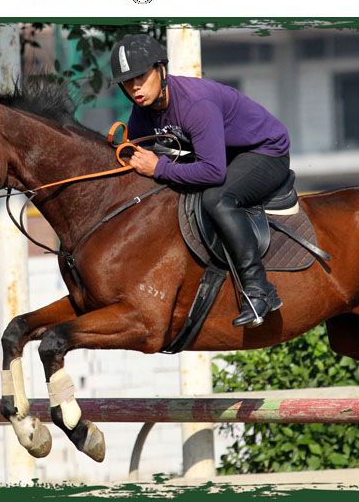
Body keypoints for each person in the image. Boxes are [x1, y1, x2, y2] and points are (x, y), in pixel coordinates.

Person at [110, 33, 291, 328]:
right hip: (226, 156)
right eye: (127, 82)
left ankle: (260, 290)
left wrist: (159, 168)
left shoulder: (196, 103)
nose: (135, 88)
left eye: (141, 76)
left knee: (216, 198)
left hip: (264, 151)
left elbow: (213, 172)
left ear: (161, 70)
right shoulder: (142, 111)